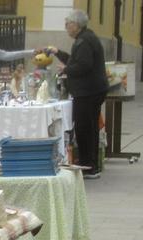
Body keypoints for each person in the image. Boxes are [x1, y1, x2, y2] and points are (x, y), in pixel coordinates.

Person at [51, 10, 108, 179]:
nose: (66, 28)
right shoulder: (85, 38)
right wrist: (57, 52)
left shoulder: (84, 41)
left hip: (88, 91)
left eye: (67, 24)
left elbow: (83, 65)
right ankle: (92, 165)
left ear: (76, 25)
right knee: (90, 127)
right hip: (92, 90)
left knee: (85, 129)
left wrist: (66, 69)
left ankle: (87, 166)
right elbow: (76, 60)